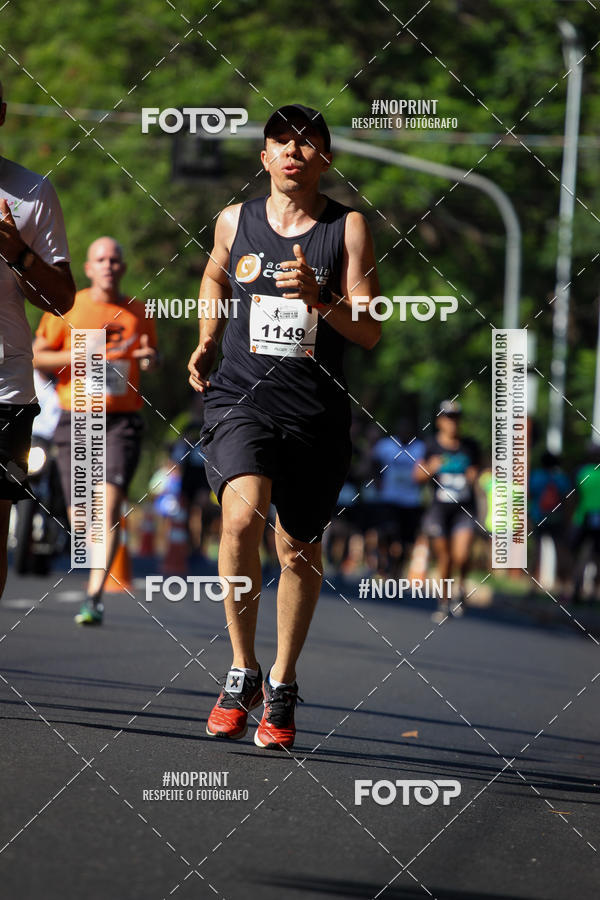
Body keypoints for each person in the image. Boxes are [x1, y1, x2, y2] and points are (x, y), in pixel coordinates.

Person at [187, 103, 381, 749]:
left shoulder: (347, 228)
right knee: (241, 518)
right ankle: (241, 670)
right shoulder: (233, 221)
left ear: (325, 158)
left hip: (316, 411)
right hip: (242, 398)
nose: (293, 151)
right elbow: (215, 273)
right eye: (281, 142)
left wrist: (319, 302)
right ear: (264, 157)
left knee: (296, 548)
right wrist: (209, 336)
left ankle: (284, 679)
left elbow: (371, 329)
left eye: (308, 143)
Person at [33, 237, 158, 624]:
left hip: (120, 421)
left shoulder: (137, 311)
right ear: (88, 268)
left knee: (107, 509)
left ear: (123, 267)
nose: (108, 265)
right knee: (83, 523)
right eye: (100, 259)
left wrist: (150, 358)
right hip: (77, 418)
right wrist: (82, 354)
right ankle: (92, 575)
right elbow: (37, 355)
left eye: (115, 259)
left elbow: (151, 353)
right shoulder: (68, 306)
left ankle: (94, 597)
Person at [0, 79, 75, 599]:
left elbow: (62, 298)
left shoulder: (29, 194)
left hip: (3, 391)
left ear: (1, 113)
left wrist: (19, 254)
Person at [415, 400, 481, 622]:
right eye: (448, 418)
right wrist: (430, 469)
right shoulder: (431, 445)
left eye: (456, 418)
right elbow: (418, 476)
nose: (452, 423)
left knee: (461, 555)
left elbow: (481, 473)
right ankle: (444, 600)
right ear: (439, 421)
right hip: (439, 509)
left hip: (464, 508)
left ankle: (460, 587)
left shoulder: (469, 446)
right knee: (444, 557)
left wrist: (475, 477)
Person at [371, 419, 426, 578]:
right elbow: (373, 461)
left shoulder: (420, 449)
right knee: (386, 532)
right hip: (389, 498)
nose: (404, 433)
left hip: (410, 502)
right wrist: (377, 480)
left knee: (404, 542)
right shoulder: (386, 446)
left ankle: (396, 572)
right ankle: (383, 561)